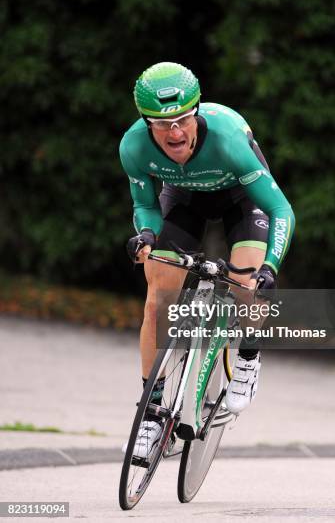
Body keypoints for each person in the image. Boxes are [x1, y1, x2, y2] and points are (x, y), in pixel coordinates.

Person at [120, 62, 295, 457]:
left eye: (183, 120)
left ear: (196, 112)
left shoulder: (229, 141)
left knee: (248, 281)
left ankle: (248, 356)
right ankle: (151, 409)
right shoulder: (133, 146)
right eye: (163, 124)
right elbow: (145, 205)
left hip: (241, 199)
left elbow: (281, 210)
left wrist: (270, 266)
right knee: (156, 299)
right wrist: (146, 235)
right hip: (184, 199)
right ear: (146, 122)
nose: (175, 132)